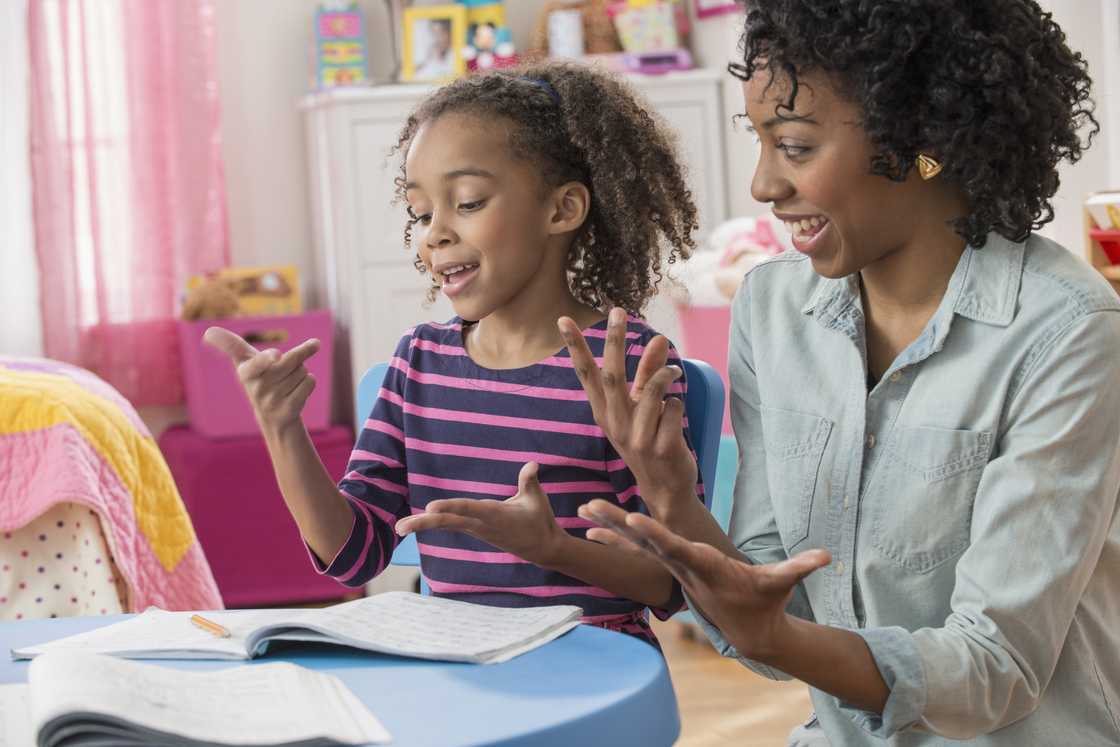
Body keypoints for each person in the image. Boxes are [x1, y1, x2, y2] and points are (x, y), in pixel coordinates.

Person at [567, 0, 1120, 743]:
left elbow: (998, 667)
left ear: (919, 139)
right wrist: (673, 495)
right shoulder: (771, 308)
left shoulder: (1067, 333)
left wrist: (776, 637)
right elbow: (775, 612)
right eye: (758, 142)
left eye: (793, 146)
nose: (763, 184)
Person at [205, 62, 702, 646]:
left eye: (467, 202)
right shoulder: (418, 364)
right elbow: (354, 556)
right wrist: (282, 429)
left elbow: (672, 583)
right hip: (457, 676)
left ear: (562, 209)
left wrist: (554, 551)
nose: (434, 233)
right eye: (421, 212)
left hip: (593, 673)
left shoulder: (626, 366)